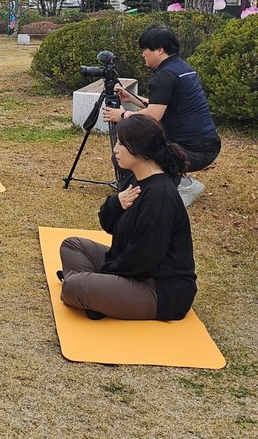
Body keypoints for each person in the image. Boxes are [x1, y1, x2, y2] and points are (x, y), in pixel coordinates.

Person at [58, 114, 196, 321]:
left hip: (157, 288)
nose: (116, 149)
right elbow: (108, 224)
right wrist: (116, 203)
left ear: (140, 149)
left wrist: (104, 273)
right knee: (72, 246)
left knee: (73, 286)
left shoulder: (160, 196)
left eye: (122, 144)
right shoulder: (136, 178)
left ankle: (93, 291)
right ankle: (98, 295)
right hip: (127, 267)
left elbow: (144, 257)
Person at [102, 24, 221, 206]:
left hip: (191, 150)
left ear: (160, 49)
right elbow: (162, 105)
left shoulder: (164, 74)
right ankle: (169, 183)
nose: (143, 54)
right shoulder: (181, 67)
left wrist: (123, 115)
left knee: (125, 154)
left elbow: (153, 115)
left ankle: (182, 185)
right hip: (206, 145)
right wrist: (132, 99)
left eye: (145, 50)